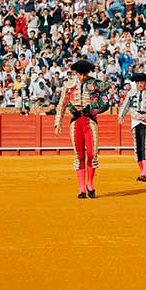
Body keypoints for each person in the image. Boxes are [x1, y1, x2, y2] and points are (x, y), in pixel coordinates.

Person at [54, 59, 111, 199]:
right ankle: (81, 189)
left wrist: (92, 109)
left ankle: (90, 184)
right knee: (79, 156)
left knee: (92, 154)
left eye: (85, 74)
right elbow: (62, 105)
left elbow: (105, 103)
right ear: (76, 73)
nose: (83, 77)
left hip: (90, 121)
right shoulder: (68, 86)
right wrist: (58, 123)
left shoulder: (95, 84)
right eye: (80, 74)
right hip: (76, 122)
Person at [118, 72, 146, 182]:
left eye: (141, 82)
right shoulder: (131, 93)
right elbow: (125, 105)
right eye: (138, 82)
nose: (140, 84)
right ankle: (142, 172)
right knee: (137, 148)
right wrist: (121, 115)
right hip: (135, 121)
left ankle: (144, 173)